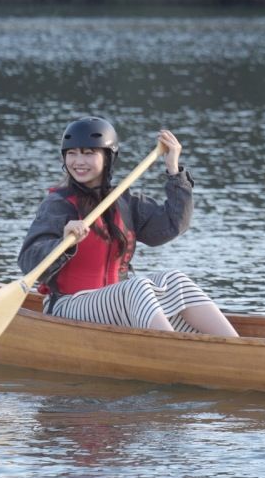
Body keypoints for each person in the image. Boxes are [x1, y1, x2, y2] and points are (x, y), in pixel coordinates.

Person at [18, 116, 238, 337]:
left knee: (175, 280)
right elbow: (28, 262)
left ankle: (233, 346)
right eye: (72, 153)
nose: (78, 161)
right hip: (67, 307)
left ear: (108, 157)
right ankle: (174, 350)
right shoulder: (57, 204)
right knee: (135, 287)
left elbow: (174, 224)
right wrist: (63, 243)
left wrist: (174, 171)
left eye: (88, 153)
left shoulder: (125, 202)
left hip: (117, 308)